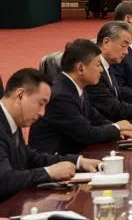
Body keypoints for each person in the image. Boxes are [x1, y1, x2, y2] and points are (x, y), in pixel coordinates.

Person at [0, 69, 102, 202]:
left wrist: (78, 162)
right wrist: (48, 172)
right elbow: (3, 180)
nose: (42, 112)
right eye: (40, 104)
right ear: (20, 95)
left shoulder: (12, 121)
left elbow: (31, 159)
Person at [29, 40, 132, 155]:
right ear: (80, 68)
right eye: (97, 65)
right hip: (54, 162)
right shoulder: (61, 96)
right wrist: (116, 128)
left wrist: (120, 129)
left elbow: (95, 117)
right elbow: (87, 134)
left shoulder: (75, 86)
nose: (101, 70)